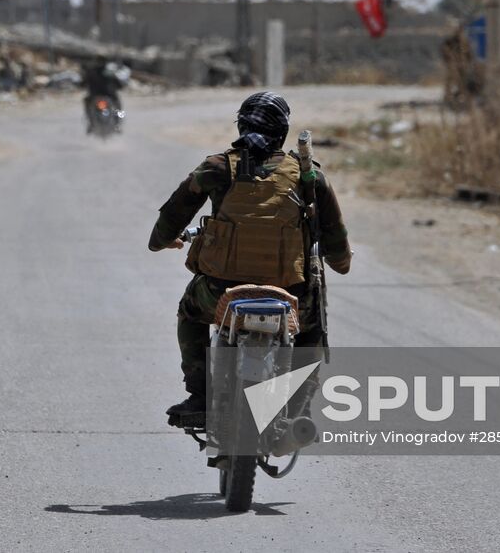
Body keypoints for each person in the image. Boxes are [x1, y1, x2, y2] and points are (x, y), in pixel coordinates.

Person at [147, 91, 352, 428]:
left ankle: (200, 395)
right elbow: (336, 240)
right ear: (282, 132)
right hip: (290, 294)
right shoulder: (308, 175)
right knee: (311, 330)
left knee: (190, 311)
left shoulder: (216, 167)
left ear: (241, 125)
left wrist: (162, 241)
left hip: (220, 293)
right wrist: (341, 262)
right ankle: (298, 410)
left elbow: (172, 216)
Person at [82, 59, 124, 132]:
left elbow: (83, 83)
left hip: (95, 97)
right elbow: (119, 84)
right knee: (118, 107)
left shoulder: (91, 72)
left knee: (87, 105)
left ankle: (90, 123)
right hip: (109, 96)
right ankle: (118, 123)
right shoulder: (109, 72)